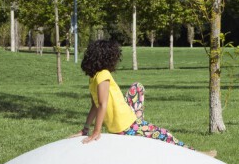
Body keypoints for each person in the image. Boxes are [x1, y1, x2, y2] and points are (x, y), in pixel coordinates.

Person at [72, 39, 216, 157]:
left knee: (137, 87)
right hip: (127, 125)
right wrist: (96, 132)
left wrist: (85, 128)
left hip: (124, 120)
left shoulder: (93, 77)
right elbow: (102, 105)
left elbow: (95, 106)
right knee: (164, 135)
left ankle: (138, 118)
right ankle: (198, 155)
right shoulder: (103, 75)